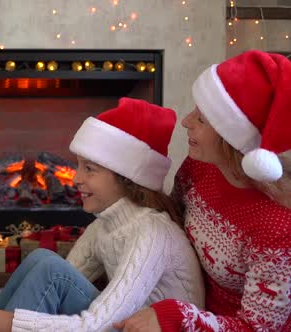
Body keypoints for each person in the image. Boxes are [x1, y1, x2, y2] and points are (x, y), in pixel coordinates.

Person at [0, 98, 205, 332]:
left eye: (89, 169)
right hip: (119, 324)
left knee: (52, 269)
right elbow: (52, 284)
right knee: (43, 259)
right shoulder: (105, 226)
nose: (76, 179)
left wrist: (7, 322)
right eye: (78, 166)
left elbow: (98, 324)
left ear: (126, 179)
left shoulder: (151, 232)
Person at [115, 50, 291, 331]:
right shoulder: (201, 167)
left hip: (207, 321)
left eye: (202, 119)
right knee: (48, 268)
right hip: (179, 298)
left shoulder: (277, 227)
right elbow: (170, 224)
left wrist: (180, 317)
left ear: (232, 138)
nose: (185, 121)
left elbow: (258, 328)